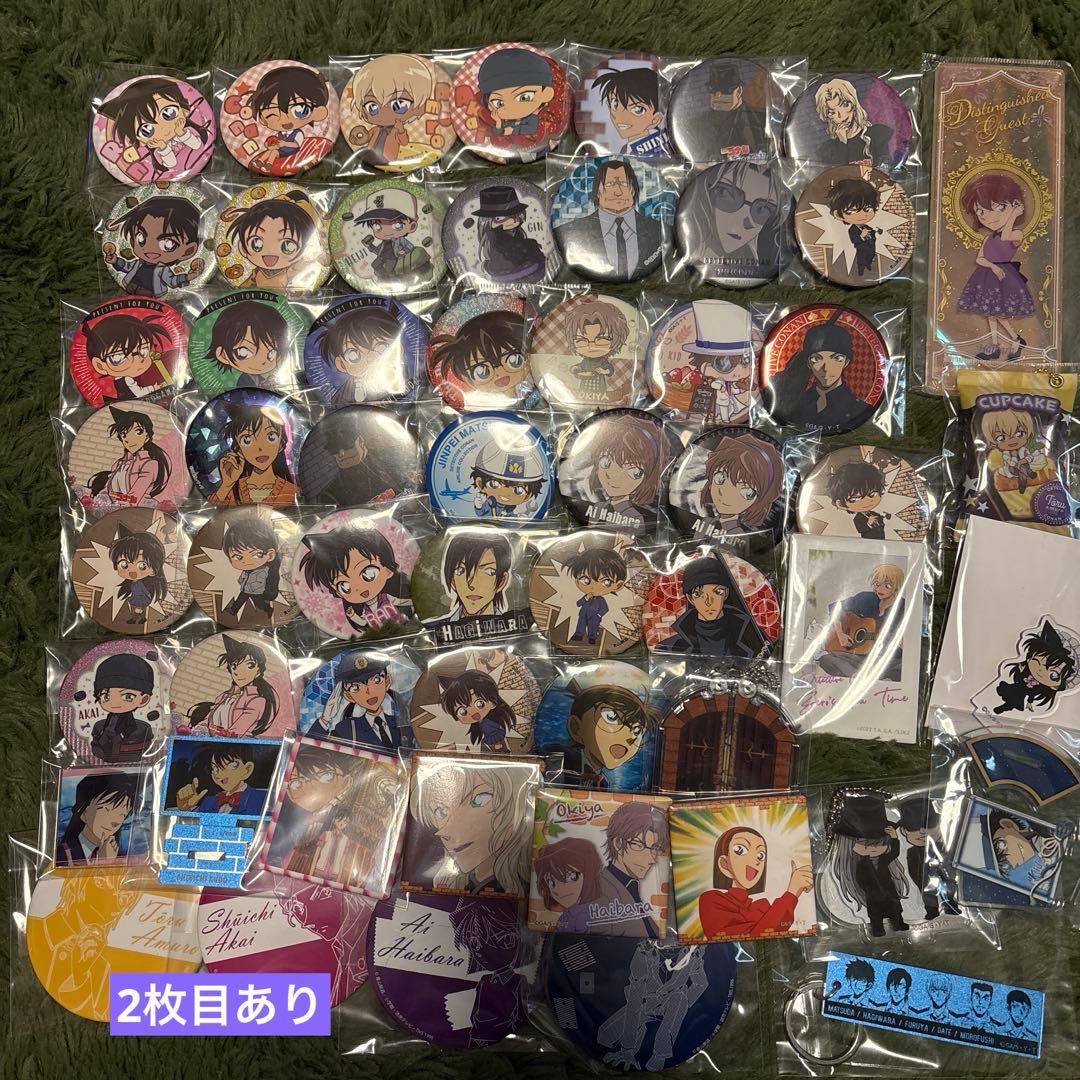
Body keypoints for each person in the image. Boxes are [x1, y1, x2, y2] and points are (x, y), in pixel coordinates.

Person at [411, 762, 530, 894]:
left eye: (479, 800)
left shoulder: (528, 884)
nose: (443, 832)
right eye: (440, 812)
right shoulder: (450, 884)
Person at [956, 172, 1033, 362]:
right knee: (990, 314)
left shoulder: (1016, 234)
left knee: (996, 313)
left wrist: (1013, 215)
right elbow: (980, 258)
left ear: (1015, 206)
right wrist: (993, 267)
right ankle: (998, 345)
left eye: (999, 207)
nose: (989, 217)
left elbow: (1006, 236)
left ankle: (1014, 339)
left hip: (1005, 278)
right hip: (989, 276)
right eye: (981, 211)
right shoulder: (988, 238)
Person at [553, 159, 662, 279]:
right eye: (610, 185)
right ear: (598, 191)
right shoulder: (573, 231)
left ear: (632, 189)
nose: (618, 192)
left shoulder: (658, 229)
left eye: (624, 184)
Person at [698, 826, 813, 938]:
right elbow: (755, 936)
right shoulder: (711, 900)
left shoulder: (763, 907)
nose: (756, 860)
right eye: (740, 850)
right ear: (724, 863)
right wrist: (792, 893)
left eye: (760, 855)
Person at [765, 308, 866, 429]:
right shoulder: (794, 405)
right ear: (808, 363)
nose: (825, 368)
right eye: (817, 359)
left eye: (836, 358)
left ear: (846, 362)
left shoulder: (857, 408)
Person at [298, 525, 411, 634]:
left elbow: (403, 601)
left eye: (368, 574)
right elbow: (363, 623)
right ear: (338, 593)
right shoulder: (365, 610)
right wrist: (353, 616)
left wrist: (412, 600)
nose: (358, 588)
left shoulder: (386, 598)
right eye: (344, 586)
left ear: (387, 570)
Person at [826, 793, 909, 937]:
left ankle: (898, 923)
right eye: (865, 845)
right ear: (850, 844)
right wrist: (871, 888)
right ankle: (878, 929)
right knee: (876, 915)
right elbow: (860, 880)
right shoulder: (861, 865)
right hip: (874, 897)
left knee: (895, 910)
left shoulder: (884, 859)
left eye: (880, 843)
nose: (874, 848)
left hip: (889, 894)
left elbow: (894, 853)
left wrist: (894, 837)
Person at [659, 556, 765, 658]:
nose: (708, 602)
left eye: (717, 592)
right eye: (698, 594)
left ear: (726, 594)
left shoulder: (757, 640)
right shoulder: (669, 648)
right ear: (690, 599)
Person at [817, 563, 906, 679]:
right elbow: (836, 608)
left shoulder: (903, 607)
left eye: (887, 585)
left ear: (897, 587)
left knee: (901, 667)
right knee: (825, 659)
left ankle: (861, 675)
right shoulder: (866, 598)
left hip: (883, 657)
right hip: (858, 655)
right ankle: (861, 676)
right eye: (877, 584)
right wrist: (840, 634)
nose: (880, 589)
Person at [103, 196, 203, 296]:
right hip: (130, 286)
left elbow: (173, 281)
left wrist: (188, 277)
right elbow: (126, 266)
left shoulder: (163, 270)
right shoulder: (138, 263)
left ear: (188, 251)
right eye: (141, 238)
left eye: (168, 244)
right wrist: (115, 261)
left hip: (149, 293)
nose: (150, 247)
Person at [183, 635, 279, 738]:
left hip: (235, 746)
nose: (239, 672)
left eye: (250, 666)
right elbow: (208, 720)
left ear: (259, 671)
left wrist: (214, 730)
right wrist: (199, 729)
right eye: (234, 666)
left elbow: (235, 733)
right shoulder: (223, 697)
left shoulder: (256, 701)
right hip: (210, 742)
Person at [308, 653, 410, 749]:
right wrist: (325, 718)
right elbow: (310, 752)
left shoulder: (400, 722)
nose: (369, 691)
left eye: (377, 680)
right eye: (355, 687)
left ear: (387, 681)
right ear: (348, 695)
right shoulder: (348, 728)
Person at [595, 802, 668, 937]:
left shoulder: (630, 887)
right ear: (618, 843)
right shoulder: (600, 892)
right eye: (639, 845)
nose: (651, 859)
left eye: (655, 848)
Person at [208, 402, 298, 507]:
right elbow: (211, 509)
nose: (260, 448)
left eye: (271, 437)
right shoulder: (231, 489)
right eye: (247, 439)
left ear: (281, 444)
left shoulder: (292, 491)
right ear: (238, 448)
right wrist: (226, 485)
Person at [564, 684, 656, 787]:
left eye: (637, 731)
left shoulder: (603, 783)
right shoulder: (563, 757)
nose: (627, 737)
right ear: (576, 727)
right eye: (611, 717)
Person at [87, 406, 173, 507]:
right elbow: (107, 489)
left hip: (138, 510)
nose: (129, 439)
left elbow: (134, 498)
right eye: (124, 434)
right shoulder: (118, 463)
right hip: (113, 508)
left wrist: (114, 498)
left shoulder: (149, 464)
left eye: (138, 432)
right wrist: (102, 497)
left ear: (147, 437)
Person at [992, 619, 1077, 715]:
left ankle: (1003, 708)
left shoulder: (1038, 687)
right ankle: (1002, 707)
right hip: (1014, 687)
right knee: (1008, 696)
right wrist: (1021, 671)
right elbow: (1019, 678)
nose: (1041, 671)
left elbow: (1032, 693)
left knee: (1013, 703)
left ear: (1055, 686)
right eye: (1037, 662)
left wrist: (1029, 702)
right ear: (1029, 658)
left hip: (1021, 695)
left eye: (1053, 675)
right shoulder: (1025, 671)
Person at [348, 187, 432, 282]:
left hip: (392, 259)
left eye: (397, 225)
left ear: (412, 226)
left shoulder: (400, 240)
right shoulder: (384, 242)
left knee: (389, 269)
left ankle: (392, 279)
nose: (386, 231)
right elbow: (377, 250)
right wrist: (369, 246)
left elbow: (409, 246)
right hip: (382, 257)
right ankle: (385, 279)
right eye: (376, 225)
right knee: (375, 265)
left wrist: (403, 252)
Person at [82, 314, 172, 402]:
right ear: (100, 366)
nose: (137, 361)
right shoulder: (127, 380)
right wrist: (153, 388)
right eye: (117, 357)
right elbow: (139, 393)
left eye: (143, 350)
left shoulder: (119, 380)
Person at [55, 772, 138, 866]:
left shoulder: (119, 855)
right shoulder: (62, 855)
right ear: (83, 811)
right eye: (106, 809)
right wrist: (104, 863)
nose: (115, 821)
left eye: (122, 815)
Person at [205, 301, 290, 387]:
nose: (261, 361)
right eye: (243, 352)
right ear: (222, 355)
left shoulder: (259, 378)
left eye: (271, 353)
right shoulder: (243, 380)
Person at [477, 47, 556, 140]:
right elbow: (497, 132)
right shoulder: (505, 120)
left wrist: (512, 130)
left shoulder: (532, 118)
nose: (510, 108)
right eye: (499, 103)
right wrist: (498, 122)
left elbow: (531, 129)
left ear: (546, 94)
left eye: (524, 97)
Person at [89, 654, 156, 762]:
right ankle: (103, 755)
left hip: (119, 735)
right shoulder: (111, 715)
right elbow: (108, 722)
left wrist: (122, 735)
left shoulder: (127, 716)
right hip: (108, 733)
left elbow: (131, 726)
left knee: (115, 745)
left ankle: (113, 758)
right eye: (106, 696)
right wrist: (104, 732)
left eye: (127, 696)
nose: (114, 703)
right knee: (102, 743)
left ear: (143, 700)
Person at [591, 66, 671, 156]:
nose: (620, 115)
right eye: (615, 104)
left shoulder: (662, 148)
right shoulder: (624, 150)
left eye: (637, 109)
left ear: (655, 119)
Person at [170, 743, 269, 816]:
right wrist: (185, 809)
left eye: (231, 765)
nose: (219, 774)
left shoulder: (262, 798)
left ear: (247, 769)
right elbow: (194, 828)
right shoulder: (209, 801)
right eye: (215, 768)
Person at [474, 185, 546, 283]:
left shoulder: (515, 233)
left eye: (514, 215)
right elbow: (512, 257)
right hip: (510, 274)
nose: (511, 220)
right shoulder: (497, 240)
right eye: (499, 218)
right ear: (487, 221)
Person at [813, 78, 893, 166]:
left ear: (854, 104)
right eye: (832, 112)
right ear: (827, 116)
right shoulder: (828, 149)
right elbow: (835, 173)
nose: (841, 115)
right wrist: (842, 143)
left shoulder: (877, 134)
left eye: (845, 105)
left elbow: (886, 169)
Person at [535, 836, 604, 931]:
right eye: (551, 881)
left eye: (572, 877)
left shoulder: (593, 914)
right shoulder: (566, 916)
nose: (560, 889)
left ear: (589, 874)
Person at [221, 514, 281, 622]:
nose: (246, 562)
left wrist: (251, 586)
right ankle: (233, 610)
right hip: (246, 589)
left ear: (270, 555)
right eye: (238, 557)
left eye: (257, 555)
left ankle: (268, 609)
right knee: (241, 599)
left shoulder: (264, 570)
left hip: (254, 591)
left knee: (259, 603)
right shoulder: (247, 570)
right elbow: (243, 579)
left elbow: (259, 582)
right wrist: (242, 580)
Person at [566, 548, 628, 646]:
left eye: (606, 582)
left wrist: (598, 615)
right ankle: (578, 635)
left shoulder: (601, 600)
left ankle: (592, 637)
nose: (593, 586)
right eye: (585, 579)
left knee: (593, 627)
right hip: (583, 615)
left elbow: (605, 608)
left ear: (618, 585)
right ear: (577, 581)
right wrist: (586, 598)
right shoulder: (586, 597)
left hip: (594, 617)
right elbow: (578, 604)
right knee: (580, 625)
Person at [826, 177, 883, 278]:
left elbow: (872, 234)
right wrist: (862, 236)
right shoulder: (852, 229)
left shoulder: (867, 226)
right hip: (862, 250)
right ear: (838, 215)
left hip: (870, 249)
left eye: (867, 209)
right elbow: (854, 240)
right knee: (861, 262)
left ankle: (868, 267)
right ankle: (860, 273)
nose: (862, 215)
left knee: (869, 260)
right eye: (851, 211)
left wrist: (875, 232)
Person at [898, 795, 942, 921]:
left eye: (929, 825)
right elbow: (914, 873)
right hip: (924, 881)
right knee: (927, 891)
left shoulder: (943, 847)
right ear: (904, 831)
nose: (922, 830)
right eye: (914, 827)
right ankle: (932, 911)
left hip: (945, 880)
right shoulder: (912, 852)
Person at [825, 460, 888, 538]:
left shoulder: (874, 514)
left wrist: (882, 518)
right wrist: (869, 523)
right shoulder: (858, 518)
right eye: (854, 499)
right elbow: (861, 529)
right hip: (867, 542)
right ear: (841, 504)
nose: (866, 501)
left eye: (872, 494)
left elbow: (881, 523)